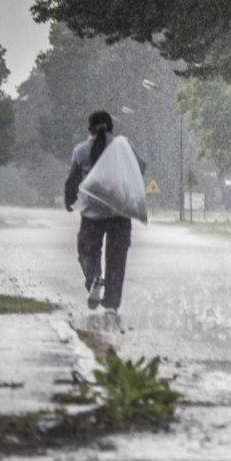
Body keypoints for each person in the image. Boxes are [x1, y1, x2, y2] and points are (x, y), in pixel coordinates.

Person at [64, 110, 146, 312]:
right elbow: (140, 167)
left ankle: (94, 278)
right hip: (120, 213)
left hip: (91, 214)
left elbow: (73, 179)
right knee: (117, 259)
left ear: (90, 129)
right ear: (111, 127)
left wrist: (70, 199)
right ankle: (111, 303)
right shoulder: (123, 146)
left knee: (88, 251)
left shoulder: (81, 150)